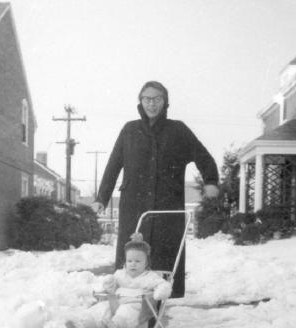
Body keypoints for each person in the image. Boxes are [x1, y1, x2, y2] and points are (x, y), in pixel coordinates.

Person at [92, 80, 219, 300]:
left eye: (157, 99)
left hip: (166, 210)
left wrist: (210, 181)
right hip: (134, 208)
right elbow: (113, 166)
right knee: (132, 262)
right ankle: (127, 317)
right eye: (147, 99)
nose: (152, 104)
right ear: (140, 102)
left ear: (165, 102)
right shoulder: (129, 130)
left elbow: (203, 157)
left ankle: (154, 321)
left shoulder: (178, 130)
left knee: (161, 267)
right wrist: (101, 198)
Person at [65, 238, 172, 328]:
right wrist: (109, 283)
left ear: (146, 263)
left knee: (125, 312)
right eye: (130, 261)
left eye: (138, 261)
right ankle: (82, 324)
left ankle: (114, 326)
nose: (133, 264)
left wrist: (160, 292)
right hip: (116, 303)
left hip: (138, 307)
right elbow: (111, 284)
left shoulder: (149, 276)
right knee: (101, 308)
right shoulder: (120, 274)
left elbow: (163, 284)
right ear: (125, 262)